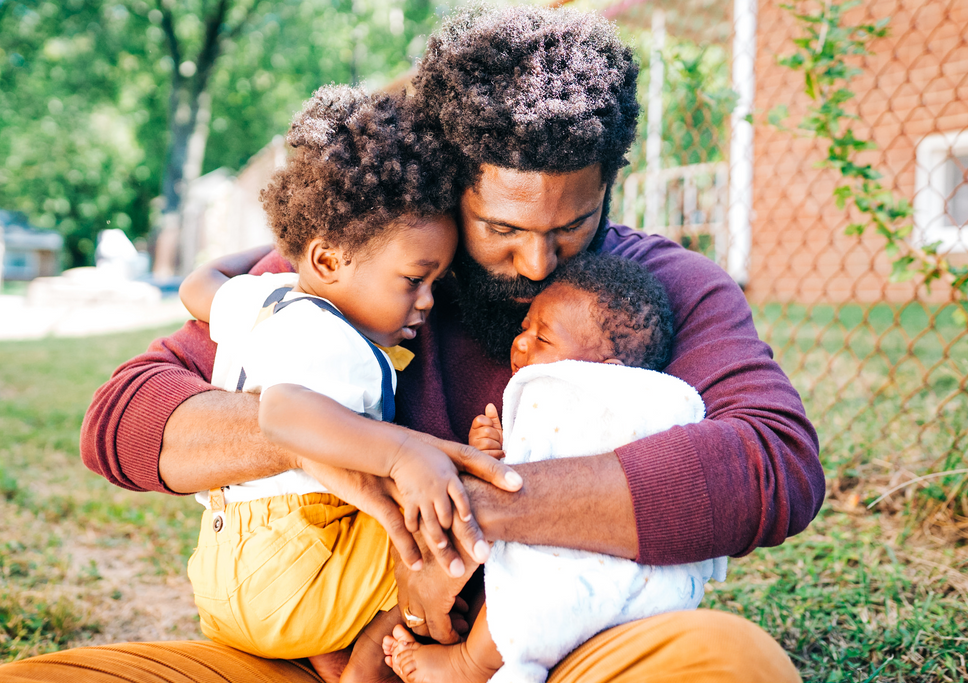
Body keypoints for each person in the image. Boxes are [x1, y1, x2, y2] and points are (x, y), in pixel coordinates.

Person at [4, 5, 823, 682]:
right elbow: (122, 419)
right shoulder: (370, 269)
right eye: (501, 227)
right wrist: (353, 444)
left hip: (551, 660)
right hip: (305, 665)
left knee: (731, 662)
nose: (538, 262)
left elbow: (772, 462)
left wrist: (464, 507)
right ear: (448, 182)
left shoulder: (658, 287)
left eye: (573, 224)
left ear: (611, 182)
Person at [173, 85, 521, 683]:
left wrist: (290, 248)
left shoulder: (266, 298)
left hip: (224, 567)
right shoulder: (334, 341)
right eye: (414, 279)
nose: (428, 300)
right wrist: (408, 454)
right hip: (292, 568)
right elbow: (280, 412)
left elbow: (199, 283)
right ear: (331, 262)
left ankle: (329, 654)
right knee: (443, 522)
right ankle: (367, 671)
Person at [384, 253, 726, 683]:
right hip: (594, 586)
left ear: (606, 372)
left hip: (605, 567)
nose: (521, 343)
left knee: (523, 599)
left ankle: (465, 666)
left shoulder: (613, 400)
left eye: (542, 340)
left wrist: (484, 478)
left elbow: (522, 480)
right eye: (525, 328)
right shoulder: (534, 406)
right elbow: (521, 463)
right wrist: (487, 451)